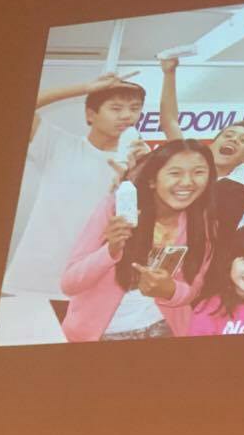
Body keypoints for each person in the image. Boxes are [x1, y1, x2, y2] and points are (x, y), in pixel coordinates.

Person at [2, 71, 148, 301]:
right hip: (32, 277)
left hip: (89, 281)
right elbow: (19, 106)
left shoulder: (140, 163)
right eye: (116, 108)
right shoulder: (58, 144)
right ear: (90, 114)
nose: (127, 116)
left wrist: (142, 170)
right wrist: (86, 87)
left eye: (134, 108)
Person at [60, 140, 217, 341]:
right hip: (104, 335)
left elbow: (194, 288)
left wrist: (170, 290)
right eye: (175, 173)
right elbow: (69, 284)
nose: (187, 182)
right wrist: (110, 251)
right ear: (152, 180)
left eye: (198, 172)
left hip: (164, 330)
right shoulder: (115, 209)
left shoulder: (202, 223)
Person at [158, 55, 244, 181]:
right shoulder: (190, 164)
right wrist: (169, 73)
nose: (234, 140)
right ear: (211, 146)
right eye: (228, 135)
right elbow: (170, 122)